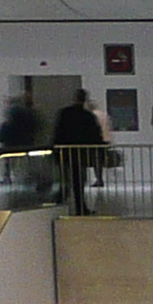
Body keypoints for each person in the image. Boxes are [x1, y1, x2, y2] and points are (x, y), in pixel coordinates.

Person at [53, 86, 109, 215]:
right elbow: (95, 135)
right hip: (80, 154)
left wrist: (55, 151)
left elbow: (57, 133)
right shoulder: (87, 116)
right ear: (84, 100)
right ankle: (80, 208)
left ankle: (58, 206)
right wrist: (100, 149)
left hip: (65, 154)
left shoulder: (64, 113)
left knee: (65, 181)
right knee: (78, 182)